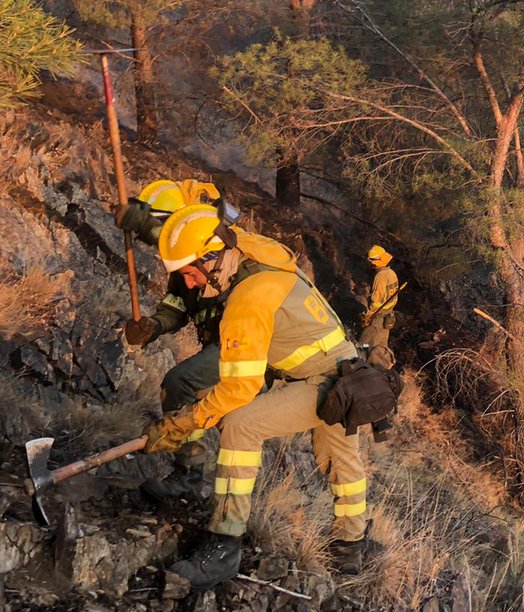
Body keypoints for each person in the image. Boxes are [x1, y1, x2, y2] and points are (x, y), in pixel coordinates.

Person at [143, 204, 370, 589]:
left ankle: (224, 544)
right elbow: (217, 230)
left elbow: (238, 389)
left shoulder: (247, 299)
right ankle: (351, 543)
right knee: (340, 457)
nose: (191, 285)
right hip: (349, 370)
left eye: (191, 274)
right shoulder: (253, 251)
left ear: (213, 260)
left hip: (325, 381)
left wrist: (182, 423)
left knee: (241, 424)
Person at [114, 179, 226, 501]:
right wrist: (153, 325)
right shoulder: (182, 264)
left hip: (244, 344)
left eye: (164, 228)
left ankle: (191, 481)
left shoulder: (215, 249)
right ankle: (195, 483)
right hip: (219, 344)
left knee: (180, 384)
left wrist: (144, 225)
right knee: (200, 400)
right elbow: (177, 305)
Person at [361, 245, 404, 368]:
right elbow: (393, 298)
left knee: (364, 344)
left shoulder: (380, 277)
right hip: (388, 316)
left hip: (377, 318)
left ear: (376, 261)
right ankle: (381, 366)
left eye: (371, 261)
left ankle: (363, 366)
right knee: (381, 344)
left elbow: (376, 302)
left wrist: (367, 316)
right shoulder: (392, 273)